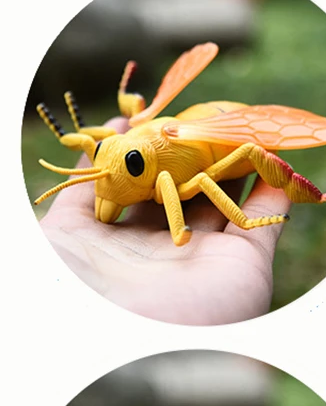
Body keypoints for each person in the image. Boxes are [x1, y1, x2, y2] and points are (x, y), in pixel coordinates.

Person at [37, 119, 290, 325]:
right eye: (101, 149)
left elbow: (186, 180)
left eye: (134, 165)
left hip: (219, 135)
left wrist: (240, 222)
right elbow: (88, 143)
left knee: (228, 163)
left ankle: (299, 196)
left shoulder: (163, 172)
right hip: (195, 124)